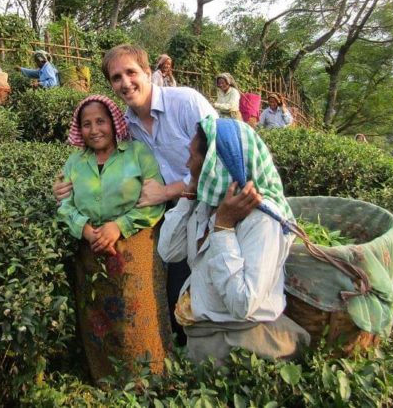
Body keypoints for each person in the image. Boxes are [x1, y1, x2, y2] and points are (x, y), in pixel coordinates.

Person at [54, 44, 260, 343]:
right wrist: (65, 185)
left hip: (221, 206)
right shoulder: (127, 126)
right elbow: (110, 165)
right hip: (179, 215)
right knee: (179, 291)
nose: (125, 83)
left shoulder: (186, 102)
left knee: (229, 282)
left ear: (148, 72)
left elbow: (220, 157)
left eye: (131, 72)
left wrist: (167, 191)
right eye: (116, 77)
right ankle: (186, 357)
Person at [157, 116, 310, 363]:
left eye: (193, 157)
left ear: (212, 164)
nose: (187, 163)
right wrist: (189, 193)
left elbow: (242, 304)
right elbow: (168, 252)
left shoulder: (261, 219)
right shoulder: (205, 205)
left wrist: (224, 229)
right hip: (206, 339)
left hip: (244, 348)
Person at [57, 95, 169, 380]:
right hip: (91, 252)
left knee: (137, 316)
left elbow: (155, 200)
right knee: (98, 319)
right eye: (86, 124)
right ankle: (104, 381)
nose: (94, 130)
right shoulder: (74, 162)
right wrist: (82, 227)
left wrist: (119, 226)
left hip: (134, 248)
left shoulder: (138, 154)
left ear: (113, 123)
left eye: (100, 122)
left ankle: (150, 380)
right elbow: (64, 204)